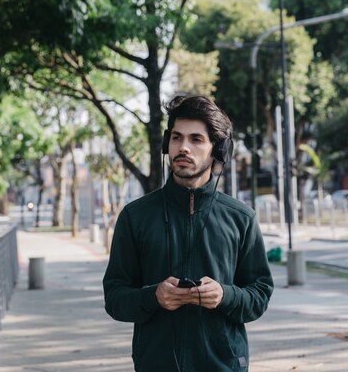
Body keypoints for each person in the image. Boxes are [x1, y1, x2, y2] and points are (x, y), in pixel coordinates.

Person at [103, 95, 274, 372]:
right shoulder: (135, 217)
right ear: (166, 143)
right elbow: (114, 298)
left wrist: (224, 296)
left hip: (224, 366)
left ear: (217, 150)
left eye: (196, 139)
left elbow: (260, 295)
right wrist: (153, 297)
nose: (183, 147)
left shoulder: (242, 218)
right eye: (176, 138)